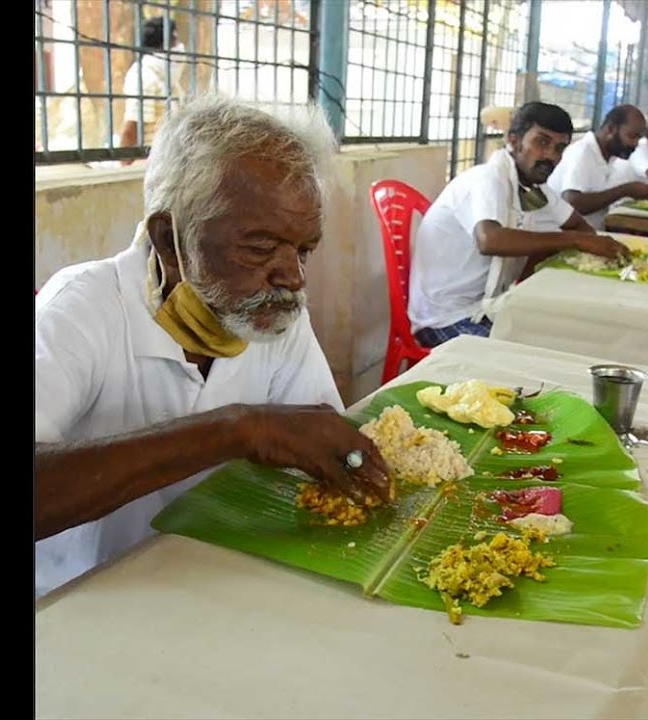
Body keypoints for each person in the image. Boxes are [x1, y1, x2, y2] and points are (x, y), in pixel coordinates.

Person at [35, 95, 391, 598]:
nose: (292, 275)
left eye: (304, 249)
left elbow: (321, 447)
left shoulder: (273, 311)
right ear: (168, 239)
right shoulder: (82, 309)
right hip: (87, 603)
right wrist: (237, 429)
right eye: (260, 246)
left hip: (219, 583)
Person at [406, 102, 632, 347]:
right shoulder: (487, 178)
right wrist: (573, 240)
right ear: (513, 140)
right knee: (538, 358)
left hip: (487, 306)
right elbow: (490, 240)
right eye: (542, 142)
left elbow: (578, 226)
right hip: (446, 318)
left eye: (559, 148)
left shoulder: (534, 189)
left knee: (574, 337)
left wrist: (586, 241)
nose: (551, 156)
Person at [546, 103, 648, 230]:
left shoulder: (608, 156)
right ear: (611, 129)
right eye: (632, 136)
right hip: (565, 238)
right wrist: (626, 190)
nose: (635, 144)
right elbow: (573, 203)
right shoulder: (583, 152)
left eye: (639, 138)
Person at [119, 17, 189, 161]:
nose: (179, 46)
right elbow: (132, 127)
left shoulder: (168, 79)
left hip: (166, 161)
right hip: (147, 162)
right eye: (174, 40)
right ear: (161, 44)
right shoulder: (143, 74)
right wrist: (124, 165)